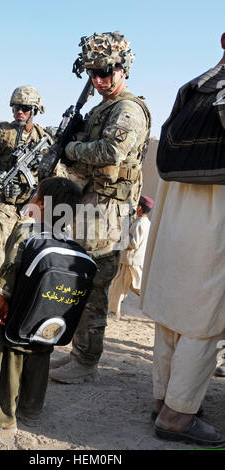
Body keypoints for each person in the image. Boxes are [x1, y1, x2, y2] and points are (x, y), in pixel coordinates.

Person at [49, 31, 151, 384]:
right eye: (91, 72)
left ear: (123, 68)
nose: (98, 79)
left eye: (105, 71)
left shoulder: (127, 109)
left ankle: (87, 361)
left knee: (94, 285)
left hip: (107, 212)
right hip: (91, 205)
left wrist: (72, 149)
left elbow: (110, 153)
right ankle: (80, 353)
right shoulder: (101, 107)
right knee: (80, 280)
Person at [140, 34, 225, 447]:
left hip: (175, 218)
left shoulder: (195, 88)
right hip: (215, 222)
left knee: (174, 314)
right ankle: (177, 415)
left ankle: (164, 399)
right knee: (204, 320)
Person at [0, 177, 83, 435]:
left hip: (19, 312)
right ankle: (31, 411)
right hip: (49, 317)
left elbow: (10, 268)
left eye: (35, 196)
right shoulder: (68, 238)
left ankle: (2, 419)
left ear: (41, 203)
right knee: (40, 356)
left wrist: (1, 300)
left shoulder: (27, 230)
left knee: (9, 357)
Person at [0, 86, 53, 324]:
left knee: (19, 258)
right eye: (16, 107)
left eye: (25, 108)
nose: (19, 112)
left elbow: (52, 173)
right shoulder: (0, 134)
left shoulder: (43, 138)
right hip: (0, 204)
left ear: (35, 110)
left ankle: (10, 302)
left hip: (27, 207)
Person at [108, 195, 154, 320]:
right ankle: (115, 311)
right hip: (131, 260)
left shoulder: (140, 224)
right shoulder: (145, 222)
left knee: (136, 287)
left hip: (131, 261)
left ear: (139, 208)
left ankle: (155, 305)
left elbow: (134, 243)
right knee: (120, 286)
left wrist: (124, 235)